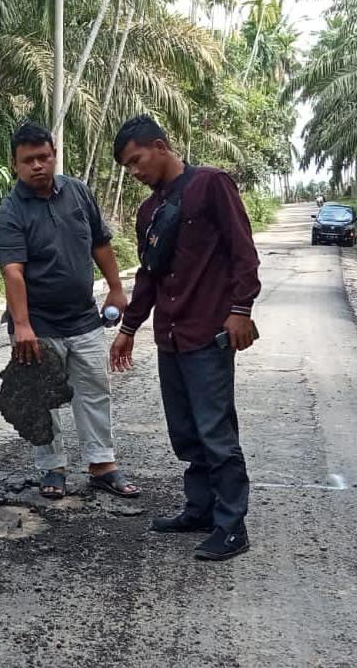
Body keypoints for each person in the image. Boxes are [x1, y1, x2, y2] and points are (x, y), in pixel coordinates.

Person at [108, 115, 261, 561]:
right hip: (170, 337)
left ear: (160, 145)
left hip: (207, 332)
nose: (135, 172)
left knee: (215, 430)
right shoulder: (149, 212)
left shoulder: (212, 185)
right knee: (186, 431)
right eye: (127, 167)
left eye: (136, 161)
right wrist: (129, 329)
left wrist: (241, 310)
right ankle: (200, 509)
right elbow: (149, 277)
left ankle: (232, 526)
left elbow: (242, 251)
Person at [0, 121, 139, 500]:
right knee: (42, 398)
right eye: (28, 160)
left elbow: (101, 244)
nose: (37, 166)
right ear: (15, 165)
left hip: (83, 317)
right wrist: (22, 325)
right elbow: (13, 272)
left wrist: (117, 290)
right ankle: (51, 468)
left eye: (44, 157)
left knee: (94, 390)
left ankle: (102, 465)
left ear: (54, 155)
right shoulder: (9, 213)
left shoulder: (78, 193)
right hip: (37, 325)